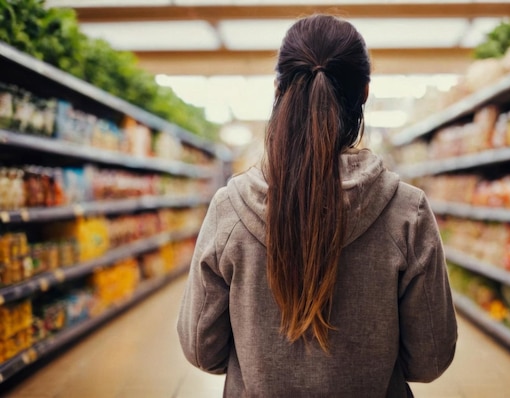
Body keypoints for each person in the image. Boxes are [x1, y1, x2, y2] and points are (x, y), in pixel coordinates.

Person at [177, 14, 457, 398]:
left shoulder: (230, 210)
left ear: (278, 88)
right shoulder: (408, 212)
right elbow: (430, 358)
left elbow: (201, 349)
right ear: (364, 93)